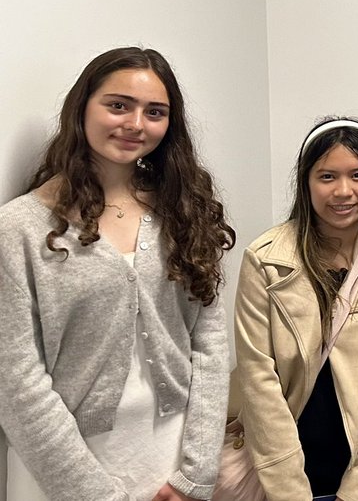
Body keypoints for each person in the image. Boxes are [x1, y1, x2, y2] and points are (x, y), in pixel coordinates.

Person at [0, 47, 234, 501]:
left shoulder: (182, 213)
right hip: (62, 471)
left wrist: (196, 473)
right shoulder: (20, 229)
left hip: (172, 459)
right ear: (82, 107)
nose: (136, 124)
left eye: (155, 112)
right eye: (118, 105)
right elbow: (16, 380)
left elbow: (208, 344)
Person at [232, 117, 358, 500]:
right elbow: (258, 377)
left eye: (357, 176)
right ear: (306, 182)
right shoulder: (266, 259)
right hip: (290, 463)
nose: (343, 191)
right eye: (327, 177)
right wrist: (289, 488)